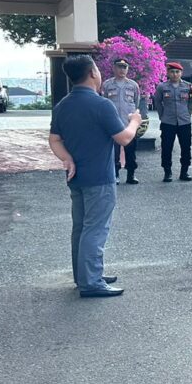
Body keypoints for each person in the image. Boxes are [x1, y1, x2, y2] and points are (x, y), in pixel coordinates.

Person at [48, 55, 142, 297]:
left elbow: (54, 139)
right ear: (92, 73)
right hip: (99, 177)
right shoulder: (102, 105)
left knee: (81, 228)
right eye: (98, 69)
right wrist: (134, 121)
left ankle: (85, 275)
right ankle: (91, 282)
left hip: (76, 177)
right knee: (96, 229)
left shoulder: (63, 105)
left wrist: (67, 159)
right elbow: (124, 138)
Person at [101, 59, 143, 185]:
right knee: (114, 152)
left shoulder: (133, 85)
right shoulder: (107, 85)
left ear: (127, 69)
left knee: (131, 152)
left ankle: (131, 175)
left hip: (128, 124)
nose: (122, 70)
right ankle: (115, 175)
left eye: (124, 67)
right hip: (113, 124)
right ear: (114, 68)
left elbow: (136, 103)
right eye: (119, 67)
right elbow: (103, 103)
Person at [153, 62, 192, 182]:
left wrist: (188, 113)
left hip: (184, 122)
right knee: (166, 147)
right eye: (172, 72)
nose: (175, 74)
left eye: (177, 72)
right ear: (168, 73)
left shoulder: (188, 86)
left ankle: (184, 172)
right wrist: (162, 115)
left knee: (186, 147)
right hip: (168, 122)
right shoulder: (162, 87)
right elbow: (158, 102)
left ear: (181, 73)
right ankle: (167, 172)